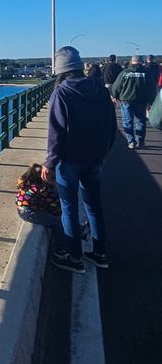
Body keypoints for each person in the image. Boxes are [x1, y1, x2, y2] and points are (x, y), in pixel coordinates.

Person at [43, 46, 115, 272]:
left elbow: (56, 133)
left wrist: (50, 163)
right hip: (95, 158)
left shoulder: (61, 93)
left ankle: (74, 258)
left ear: (60, 70)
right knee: (94, 206)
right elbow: (112, 126)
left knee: (69, 208)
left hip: (70, 160)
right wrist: (103, 151)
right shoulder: (100, 90)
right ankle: (100, 253)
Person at [111, 55, 155, 149]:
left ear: (131, 61)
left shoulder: (124, 73)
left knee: (128, 121)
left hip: (127, 100)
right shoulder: (147, 73)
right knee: (140, 121)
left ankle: (131, 141)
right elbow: (151, 88)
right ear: (142, 62)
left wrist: (114, 95)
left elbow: (116, 86)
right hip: (142, 101)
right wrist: (151, 101)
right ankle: (140, 141)